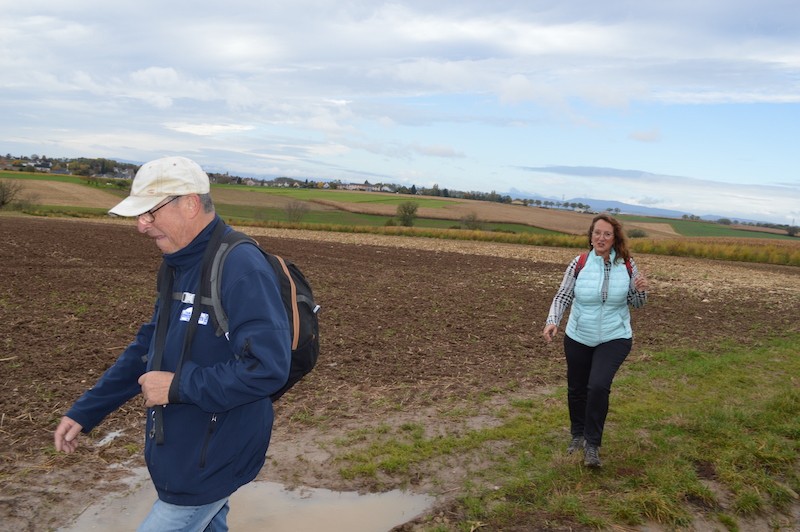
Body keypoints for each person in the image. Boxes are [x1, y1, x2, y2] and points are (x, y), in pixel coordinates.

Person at [54, 156, 291, 531]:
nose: (141, 226)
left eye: (150, 213)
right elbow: (148, 346)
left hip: (215, 450)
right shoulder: (176, 266)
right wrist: (87, 410)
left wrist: (177, 386)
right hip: (183, 447)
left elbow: (268, 368)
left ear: (190, 204)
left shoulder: (240, 267)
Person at [542, 213, 648, 468]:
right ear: (591, 236)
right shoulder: (578, 263)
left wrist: (640, 290)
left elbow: (638, 304)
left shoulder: (629, 265)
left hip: (615, 336)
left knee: (598, 386)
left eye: (607, 234)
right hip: (578, 335)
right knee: (577, 389)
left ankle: (593, 445)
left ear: (614, 239)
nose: (601, 238)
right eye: (597, 233)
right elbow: (563, 295)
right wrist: (552, 320)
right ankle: (577, 435)